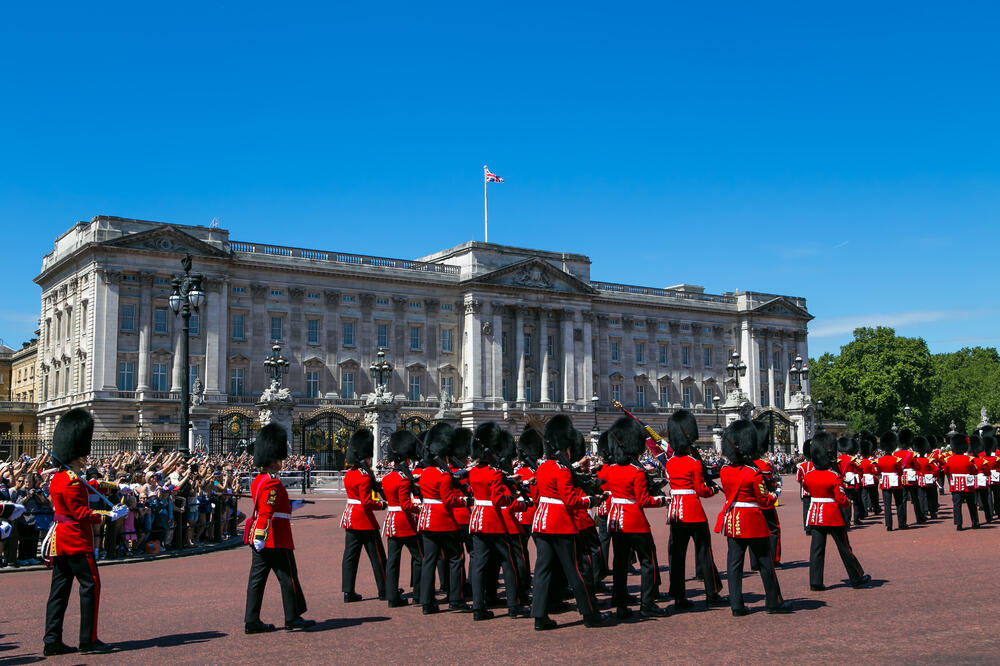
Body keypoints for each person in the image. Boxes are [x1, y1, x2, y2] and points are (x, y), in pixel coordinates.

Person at [43, 408, 128, 656]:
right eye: (82, 455)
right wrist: (109, 516)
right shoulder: (70, 480)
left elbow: (89, 485)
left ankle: (52, 640)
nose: (85, 459)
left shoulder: (61, 478)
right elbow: (81, 513)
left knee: (59, 593)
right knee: (91, 587)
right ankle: (88, 640)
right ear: (75, 455)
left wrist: (116, 486)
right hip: (76, 541)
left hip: (61, 542)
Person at [530, 415, 609, 630]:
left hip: (541, 523)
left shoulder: (542, 467)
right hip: (560, 524)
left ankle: (539, 617)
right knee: (576, 570)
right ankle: (589, 614)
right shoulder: (562, 470)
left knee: (542, 571)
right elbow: (571, 500)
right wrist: (592, 500)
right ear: (565, 447)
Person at [715, 421, 792, 616]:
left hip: (733, 520)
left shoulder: (724, 470)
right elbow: (764, 500)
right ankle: (773, 602)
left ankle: (736, 605)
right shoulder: (753, 473)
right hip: (752, 521)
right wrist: (776, 492)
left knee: (734, 564)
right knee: (765, 562)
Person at [244, 423, 314, 634]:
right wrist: (261, 534)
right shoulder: (272, 482)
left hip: (262, 535)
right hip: (274, 536)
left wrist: (292, 504)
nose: (281, 463)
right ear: (273, 460)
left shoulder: (259, 479)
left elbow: (272, 506)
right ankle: (292, 617)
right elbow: (266, 511)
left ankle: (252, 620)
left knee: (257, 579)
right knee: (288, 576)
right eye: (279, 460)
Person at [603, 417, 669, 618]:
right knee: (647, 562)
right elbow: (644, 500)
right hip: (635, 522)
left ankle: (621, 606)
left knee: (620, 564)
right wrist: (662, 501)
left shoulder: (610, 470)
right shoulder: (636, 472)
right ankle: (647, 604)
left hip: (616, 521)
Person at [664, 409, 727, 611]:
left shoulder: (669, 463)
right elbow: (701, 490)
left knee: (677, 556)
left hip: (676, 512)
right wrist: (713, 490)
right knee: (704, 552)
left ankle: (678, 597)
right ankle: (712, 593)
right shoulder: (693, 463)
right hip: (693, 511)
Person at [467, 422, 524, 621]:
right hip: (493, 521)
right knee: (508, 563)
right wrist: (512, 498)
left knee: (479, 565)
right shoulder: (495, 473)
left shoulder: (473, 472)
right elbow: (498, 500)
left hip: (477, 520)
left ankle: (478, 608)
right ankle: (513, 605)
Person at [802, 433, 871, 591]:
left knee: (816, 549)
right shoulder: (834, 476)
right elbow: (841, 500)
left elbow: (807, 489)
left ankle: (815, 582)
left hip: (815, 515)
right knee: (844, 547)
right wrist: (847, 504)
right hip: (832, 515)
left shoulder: (808, 476)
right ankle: (856, 577)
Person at [418, 423, 474, 613]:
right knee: (456, 558)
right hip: (444, 522)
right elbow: (449, 500)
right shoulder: (444, 476)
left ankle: (427, 602)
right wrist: (465, 501)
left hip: (426, 521)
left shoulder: (425, 473)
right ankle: (456, 599)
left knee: (429, 561)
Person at [340, 429, 388, 602]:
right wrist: (382, 504)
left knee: (350, 557)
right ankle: (385, 590)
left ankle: (348, 592)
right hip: (364, 520)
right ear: (365, 457)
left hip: (350, 518)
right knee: (377, 557)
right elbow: (367, 502)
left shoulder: (349, 474)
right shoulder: (364, 476)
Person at [381, 430, 422, 608]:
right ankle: (419, 595)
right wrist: (421, 509)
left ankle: (392, 597)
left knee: (392, 561)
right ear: (405, 459)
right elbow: (406, 505)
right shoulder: (403, 479)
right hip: (405, 524)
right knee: (420, 558)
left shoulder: (387, 478)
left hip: (391, 522)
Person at [944, 433, 980, 531]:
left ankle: (959, 524)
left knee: (957, 505)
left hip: (955, 485)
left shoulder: (949, 460)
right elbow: (975, 471)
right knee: (971, 504)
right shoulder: (969, 459)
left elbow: (946, 471)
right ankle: (974, 522)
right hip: (968, 485)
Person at [875, 431, 907, 531]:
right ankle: (901, 523)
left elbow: (877, 472)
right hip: (895, 482)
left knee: (887, 505)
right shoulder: (896, 460)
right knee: (899, 503)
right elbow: (900, 472)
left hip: (885, 483)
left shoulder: (879, 460)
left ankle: (889, 525)